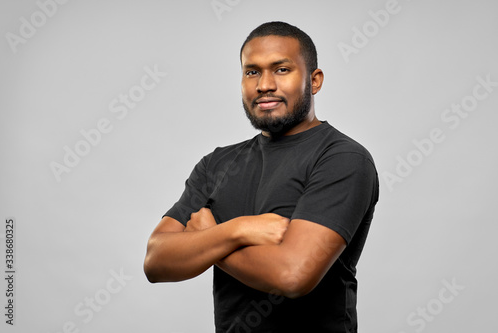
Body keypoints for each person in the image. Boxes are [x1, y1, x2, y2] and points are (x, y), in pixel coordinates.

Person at [144, 21, 379, 332]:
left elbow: (293, 275)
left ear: (315, 80)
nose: (264, 85)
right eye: (251, 72)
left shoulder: (342, 158)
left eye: (281, 70)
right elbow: (156, 261)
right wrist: (238, 230)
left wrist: (208, 242)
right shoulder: (216, 164)